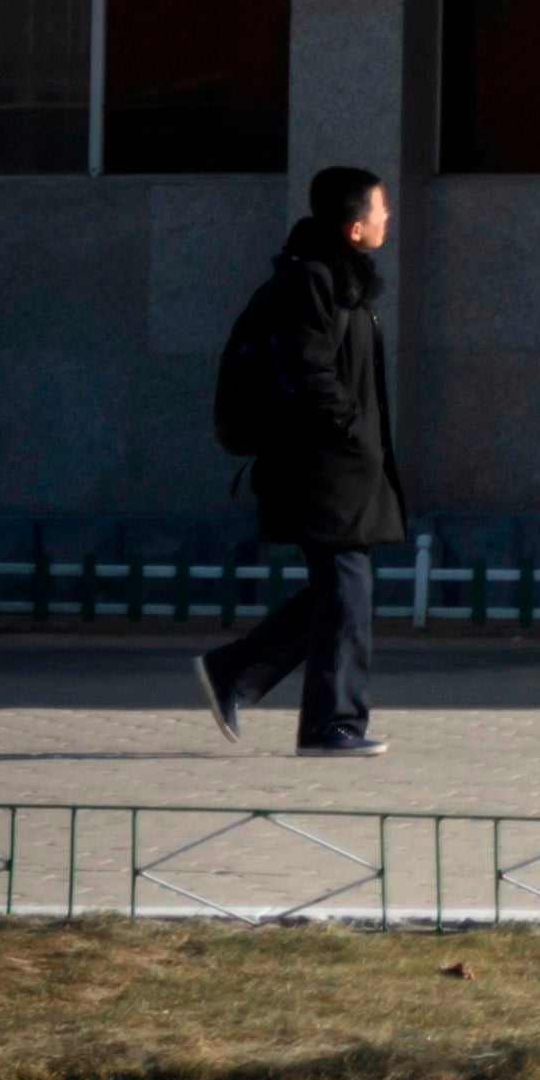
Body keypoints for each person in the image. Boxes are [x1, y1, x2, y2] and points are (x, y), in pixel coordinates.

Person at [196, 165, 405, 759]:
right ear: (353, 224)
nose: (387, 216)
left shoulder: (341, 281)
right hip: (321, 464)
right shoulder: (312, 279)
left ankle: (235, 669)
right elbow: (308, 366)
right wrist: (347, 428)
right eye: (380, 207)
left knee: (341, 592)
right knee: (347, 590)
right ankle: (330, 725)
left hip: (341, 462)